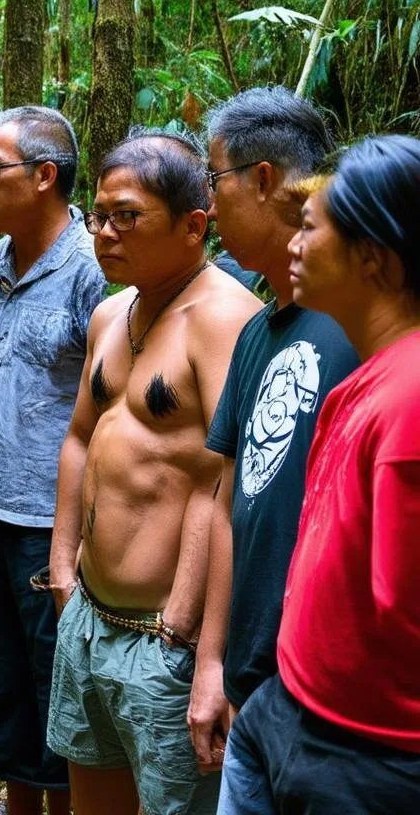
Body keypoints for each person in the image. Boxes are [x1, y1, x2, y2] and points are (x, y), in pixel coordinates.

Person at [46, 130, 261, 815]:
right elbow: (80, 436)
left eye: (127, 217)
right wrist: (60, 566)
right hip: (89, 618)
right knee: (92, 802)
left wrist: (208, 657)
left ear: (194, 225)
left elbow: (230, 483)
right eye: (97, 215)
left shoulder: (227, 321)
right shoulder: (113, 312)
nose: (105, 233)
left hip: (168, 640)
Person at [219, 135, 420, 814]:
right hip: (287, 709)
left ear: (374, 256)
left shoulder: (409, 399)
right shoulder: (361, 381)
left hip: (365, 754)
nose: (293, 245)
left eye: (309, 229)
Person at [188, 87, 358, 773]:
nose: (209, 199)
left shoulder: (361, 325)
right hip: (254, 678)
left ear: (263, 179)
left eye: (214, 178)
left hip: (330, 690)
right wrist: (214, 665)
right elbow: (230, 502)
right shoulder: (257, 331)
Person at [0, 107, 105, 815]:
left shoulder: (92, 271)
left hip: (55, 524)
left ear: (45, 176)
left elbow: (110, 405)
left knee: (57, 687)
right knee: (2, 677)